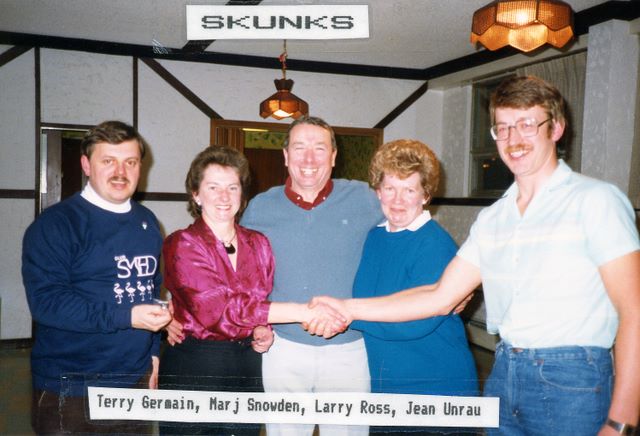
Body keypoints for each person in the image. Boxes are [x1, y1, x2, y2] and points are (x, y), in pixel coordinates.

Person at [310, 76, 640, 435]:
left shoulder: (595, 200)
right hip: (504, 370)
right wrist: (345, 307)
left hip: (572, 377)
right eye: (503, 128)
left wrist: (621, 421)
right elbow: (439, 295)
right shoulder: (494, 218)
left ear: (556, 128)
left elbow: (635, 310)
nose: (514, 139)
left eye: (527, 125)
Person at [160, 145, 345, 436]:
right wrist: (303, 312)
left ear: (242, 195)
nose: (224, 197)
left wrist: (262, 328)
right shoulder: (182, 244)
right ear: (196, 194)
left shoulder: (258, 243)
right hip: (196, 366)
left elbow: (260, 300)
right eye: (213, 187)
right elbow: (218, 310)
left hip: (248, 365)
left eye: (232, 187)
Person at [22, 120, 172, 435]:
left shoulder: (147, 222)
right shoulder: (56, 225)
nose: (121, 171)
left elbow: (152, 289)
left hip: (133, 381)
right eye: (108, 161)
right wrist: (127, 316)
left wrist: (153, 354)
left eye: (130, 162)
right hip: (72, 389)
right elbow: (47, 304)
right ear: (86, 165)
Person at [241, 115, 384, 436]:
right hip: (283, 349)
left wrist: (447, 283)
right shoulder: (259, 208)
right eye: (299, 147)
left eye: (319, 148)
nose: (309, 159)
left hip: (350, 349)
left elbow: (406, 231)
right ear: (285, 155)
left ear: (333, 156)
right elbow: (245, 278)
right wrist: (257, 324)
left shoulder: (365, 198)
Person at [352, 139, 478, 435]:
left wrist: (346, 315)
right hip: (386, 387)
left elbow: (413, 322)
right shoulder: (374, 237)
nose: (398, 199)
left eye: (409, 190)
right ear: (378, 190)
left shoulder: (435, 244)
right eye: (390, 188)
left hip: (435, 388)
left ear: (425, 195)